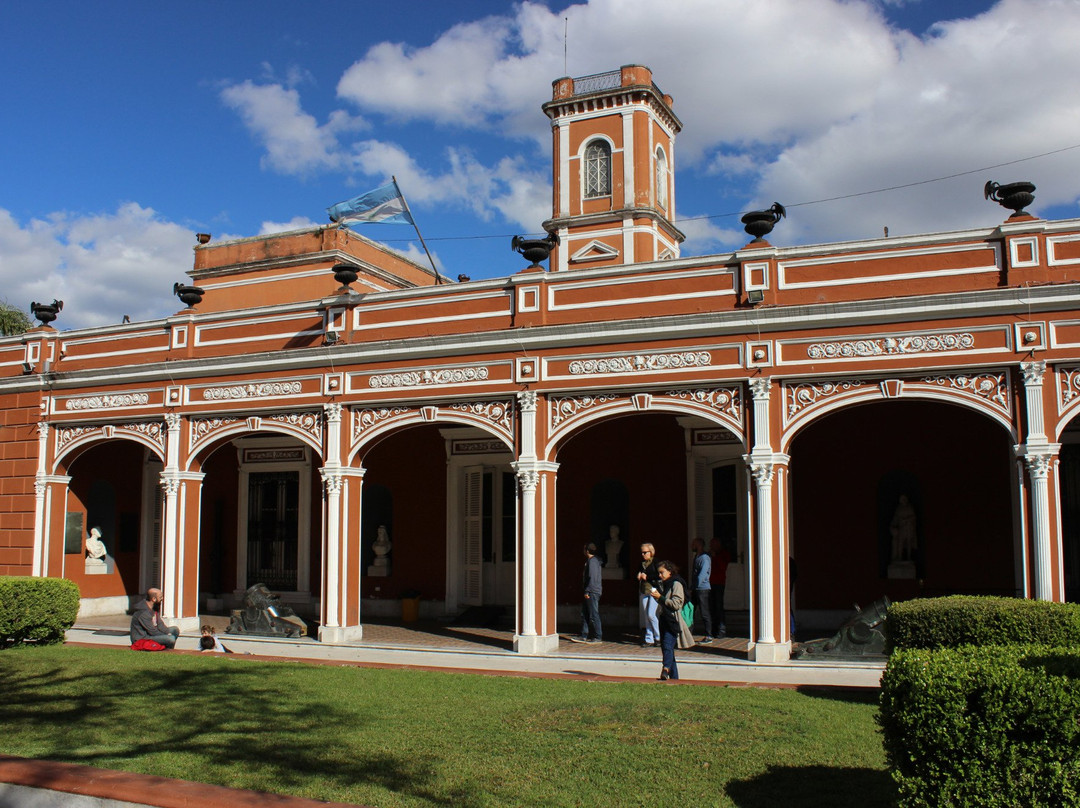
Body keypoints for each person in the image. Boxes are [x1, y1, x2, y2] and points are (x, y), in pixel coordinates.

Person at [649, 560, 695, 681]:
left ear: (670, 571)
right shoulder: (665, 584)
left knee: (667, 645)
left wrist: (660, 597)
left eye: (662, 572)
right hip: (664, 619)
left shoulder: (676, 584)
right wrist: (658, 597)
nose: (660, 575)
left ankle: (665, 669)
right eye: (659, 573)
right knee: (667, 649)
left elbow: (676, 604)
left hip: (673, 620)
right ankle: (674, 679)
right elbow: (664, 602)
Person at [570, 543, 603, 643]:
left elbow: (592, 577)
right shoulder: (593, 561)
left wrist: (588, 591)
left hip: (592, 591)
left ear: (587, 551)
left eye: (584, 549)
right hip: (592, 590)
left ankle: (598, 636)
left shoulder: (592, 562)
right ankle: (584, 634)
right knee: (585, 613)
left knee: (593, 614)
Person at [636, 543, 661, 647]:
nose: (643, 554)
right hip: (644, 590)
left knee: (651, 614)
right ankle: (649, 639)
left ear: (651, 552)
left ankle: (658, 637)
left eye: (645, 552)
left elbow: (659, 575)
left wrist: (647, 577)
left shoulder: (656, 562)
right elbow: (639, 573)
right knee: (646, 615)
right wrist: (639, 575)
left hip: (653, 590)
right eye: (642, 552)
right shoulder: (642, 564)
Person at [690, 538, 714, 643]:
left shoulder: (704, 558)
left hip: (703, 589)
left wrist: (695, 586)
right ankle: (689, 633)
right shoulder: (697, 557)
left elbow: (703, 574)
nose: (692, 546)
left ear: (699, 545)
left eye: (693, 544)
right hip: (695, 588)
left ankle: (708, 635)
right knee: (691, 611)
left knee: (704, 612)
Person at [709, 538, 732, 639]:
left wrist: (715, 557)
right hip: (709, 583)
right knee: (711, 607)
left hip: (719, 583)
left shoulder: (724, 554)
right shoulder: (709, 555)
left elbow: (723, 567)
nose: (711, 546)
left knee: (718, 606)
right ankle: (713, 629)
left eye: (713, 544)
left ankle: (721, 630)